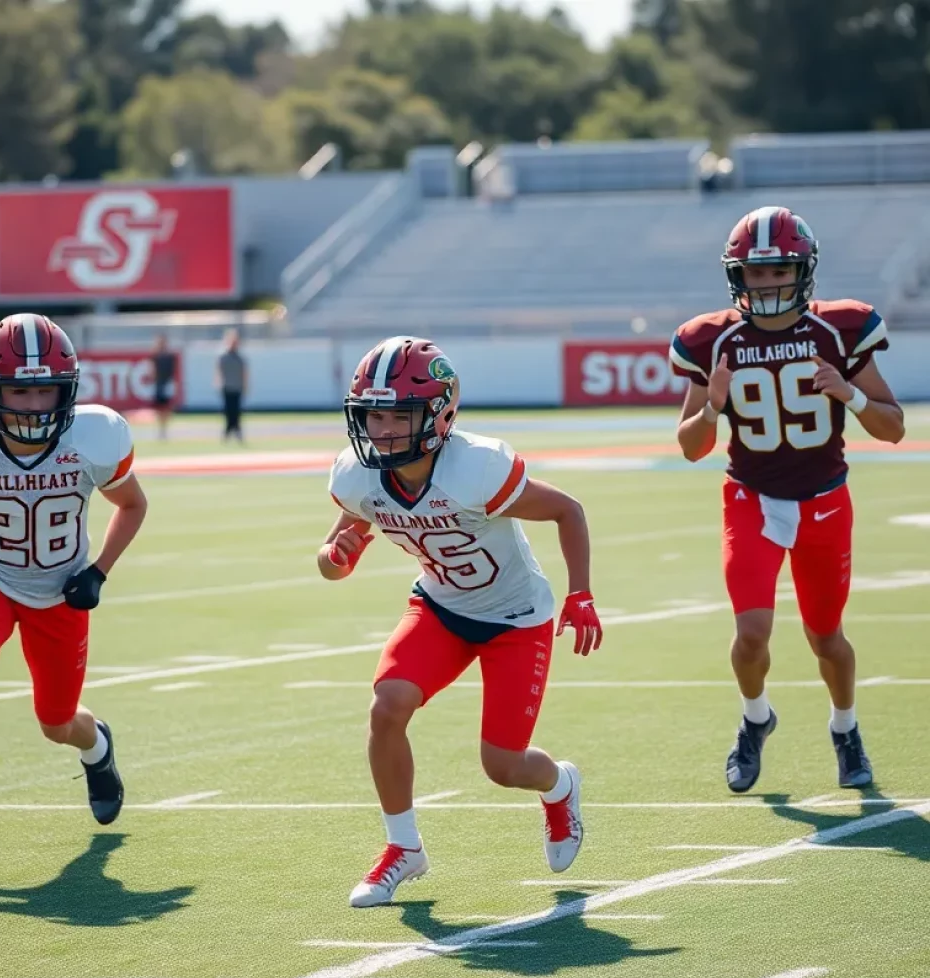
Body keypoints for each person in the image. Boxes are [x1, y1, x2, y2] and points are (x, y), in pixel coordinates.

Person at [319, 337, 603, 908]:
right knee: (387, 706)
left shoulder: (477, 467)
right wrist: (336, 557)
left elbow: (567, 510)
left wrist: (581, 594)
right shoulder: (359, 477)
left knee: (502, 766)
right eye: (373, 414)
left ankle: (560, 785)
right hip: (441, 607)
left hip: (516, 619)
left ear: (441, 413)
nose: (383, 429)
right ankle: (404, 848)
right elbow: (331, 559)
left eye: (399, 415)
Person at [669, 205, 905, 795]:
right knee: (751, 633)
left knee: (826, 637)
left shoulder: (839, 330)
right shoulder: (712, 340)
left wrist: (848, 392)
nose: (768, 283)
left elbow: (894, 427)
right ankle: (754, 720)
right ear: (737, 277)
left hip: (824, 499)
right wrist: (712, 405)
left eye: (779, 272)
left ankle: (845, 729)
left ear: (803, 271)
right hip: (751, 496)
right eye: (756, 273)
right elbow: (691, 446)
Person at [0, 313, 149, 867]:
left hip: (61, 590)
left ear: (67, 390)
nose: (34, 404)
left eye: (45, 389)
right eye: (20, 388)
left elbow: (132, 505)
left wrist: (99, 571)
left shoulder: (94, 437)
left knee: (56, 722)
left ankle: (97, 746)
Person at [215, 329, 248, 443]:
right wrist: (218, 383)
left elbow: (244, 373)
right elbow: (218, 371)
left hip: (237, 387)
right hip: (227, 386)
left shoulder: (240, 358)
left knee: (237, 411)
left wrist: (245, 385)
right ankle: (228, 431)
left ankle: (237, 431)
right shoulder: (223, 357)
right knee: (228, 411)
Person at [150, 333, 178, 441]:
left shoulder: (170, 356)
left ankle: (164, 430)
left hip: (167, 383)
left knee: (166, 407)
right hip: (159, 383)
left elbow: (173, 371)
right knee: (159, 408)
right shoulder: (155, 356)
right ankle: (160, 430)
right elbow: (152, 370)